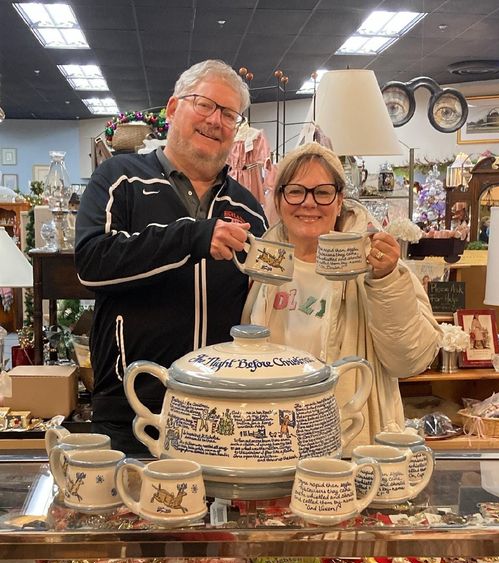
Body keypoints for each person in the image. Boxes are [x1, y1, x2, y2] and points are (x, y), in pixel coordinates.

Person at [76, 60, 268, 454]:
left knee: (221, 517)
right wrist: (192, 238)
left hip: (222, 414)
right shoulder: (119, 178)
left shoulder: (247, 209)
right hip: (131, 409)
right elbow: (92, 262)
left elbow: (266, 300)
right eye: (205, 105)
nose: (216, 121)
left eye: (229, 114)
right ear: (172, 108)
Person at [242, 142, 442, 451]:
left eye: (322, 192)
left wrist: (386, 281)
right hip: (273, 440)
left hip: (352, 439)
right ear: (279, 200)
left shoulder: (376, 264)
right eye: (296, 191)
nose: (309, 203)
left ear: (340, 202)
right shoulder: (264, 266)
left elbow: (410, 360)